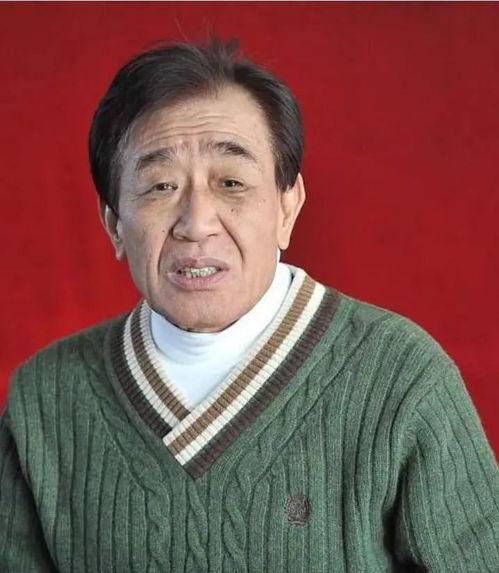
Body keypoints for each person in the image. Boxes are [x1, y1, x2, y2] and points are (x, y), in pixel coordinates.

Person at [0, 38, 498, 573]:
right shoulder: (45, 399)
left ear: (288, 208)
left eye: (231, 183)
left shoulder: (400, 376)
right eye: (161, 186)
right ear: (114, 224)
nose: (196, 224)